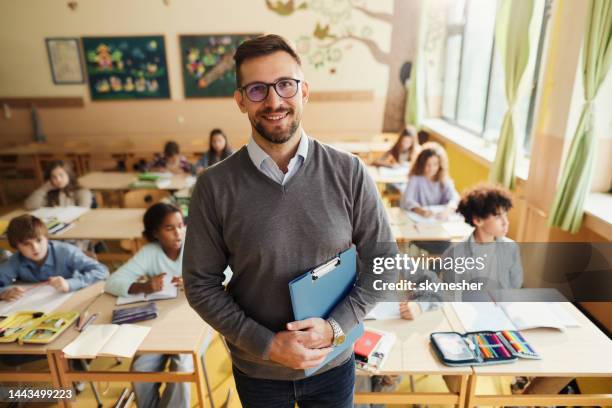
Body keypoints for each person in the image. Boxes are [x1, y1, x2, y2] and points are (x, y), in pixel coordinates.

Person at [183, 34, 397, 408]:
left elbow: (384, 264)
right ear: (240, 101)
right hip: (258, 372)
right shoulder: (213, 186)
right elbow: (200, 285)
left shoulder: (349, 172)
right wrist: (266, 345)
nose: (273, 100)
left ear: (304, 91)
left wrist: (335, 327)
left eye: (285, 85)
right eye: (257, 89)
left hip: (334, 364)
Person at [104, 203, 190, 408]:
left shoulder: (195, 243)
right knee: (140, 369)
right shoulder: (150, 252)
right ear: (155, 233)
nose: (178, 233)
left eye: (181, 225)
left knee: (182, 369)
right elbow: (112, 282)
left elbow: (229, 272)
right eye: (169, 228)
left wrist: (197, 280)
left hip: (196, 321)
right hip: (161, 323)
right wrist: (144, 286)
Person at [0, 214, 108, 300]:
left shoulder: (65, 252)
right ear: (16, 247)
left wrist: (70, 283)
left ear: (47, 238)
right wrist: (4, 293)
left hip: (73, 298)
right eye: (26, 244)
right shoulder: (15, 260)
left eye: (39, 240)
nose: (35, 248)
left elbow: (102, 271)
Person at [399, 142, 459, 220]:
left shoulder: (444, 179)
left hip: (438, 219)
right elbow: (408, 200)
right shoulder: (415, 179)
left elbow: (454, 198)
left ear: (440, 165)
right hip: (419, 218)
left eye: (435, 164)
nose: (431, 168)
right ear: (421, 164)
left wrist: (448, 210)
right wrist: (420, 211)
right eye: (428, 164)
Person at [24, 160, 92, 210]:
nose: (58, 179)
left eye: (61, 175)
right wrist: (43, 189)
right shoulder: (48, 191)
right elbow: (30, 206)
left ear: (69, 175)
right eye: (54, 177)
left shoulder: (82, 191)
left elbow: (84, 212)